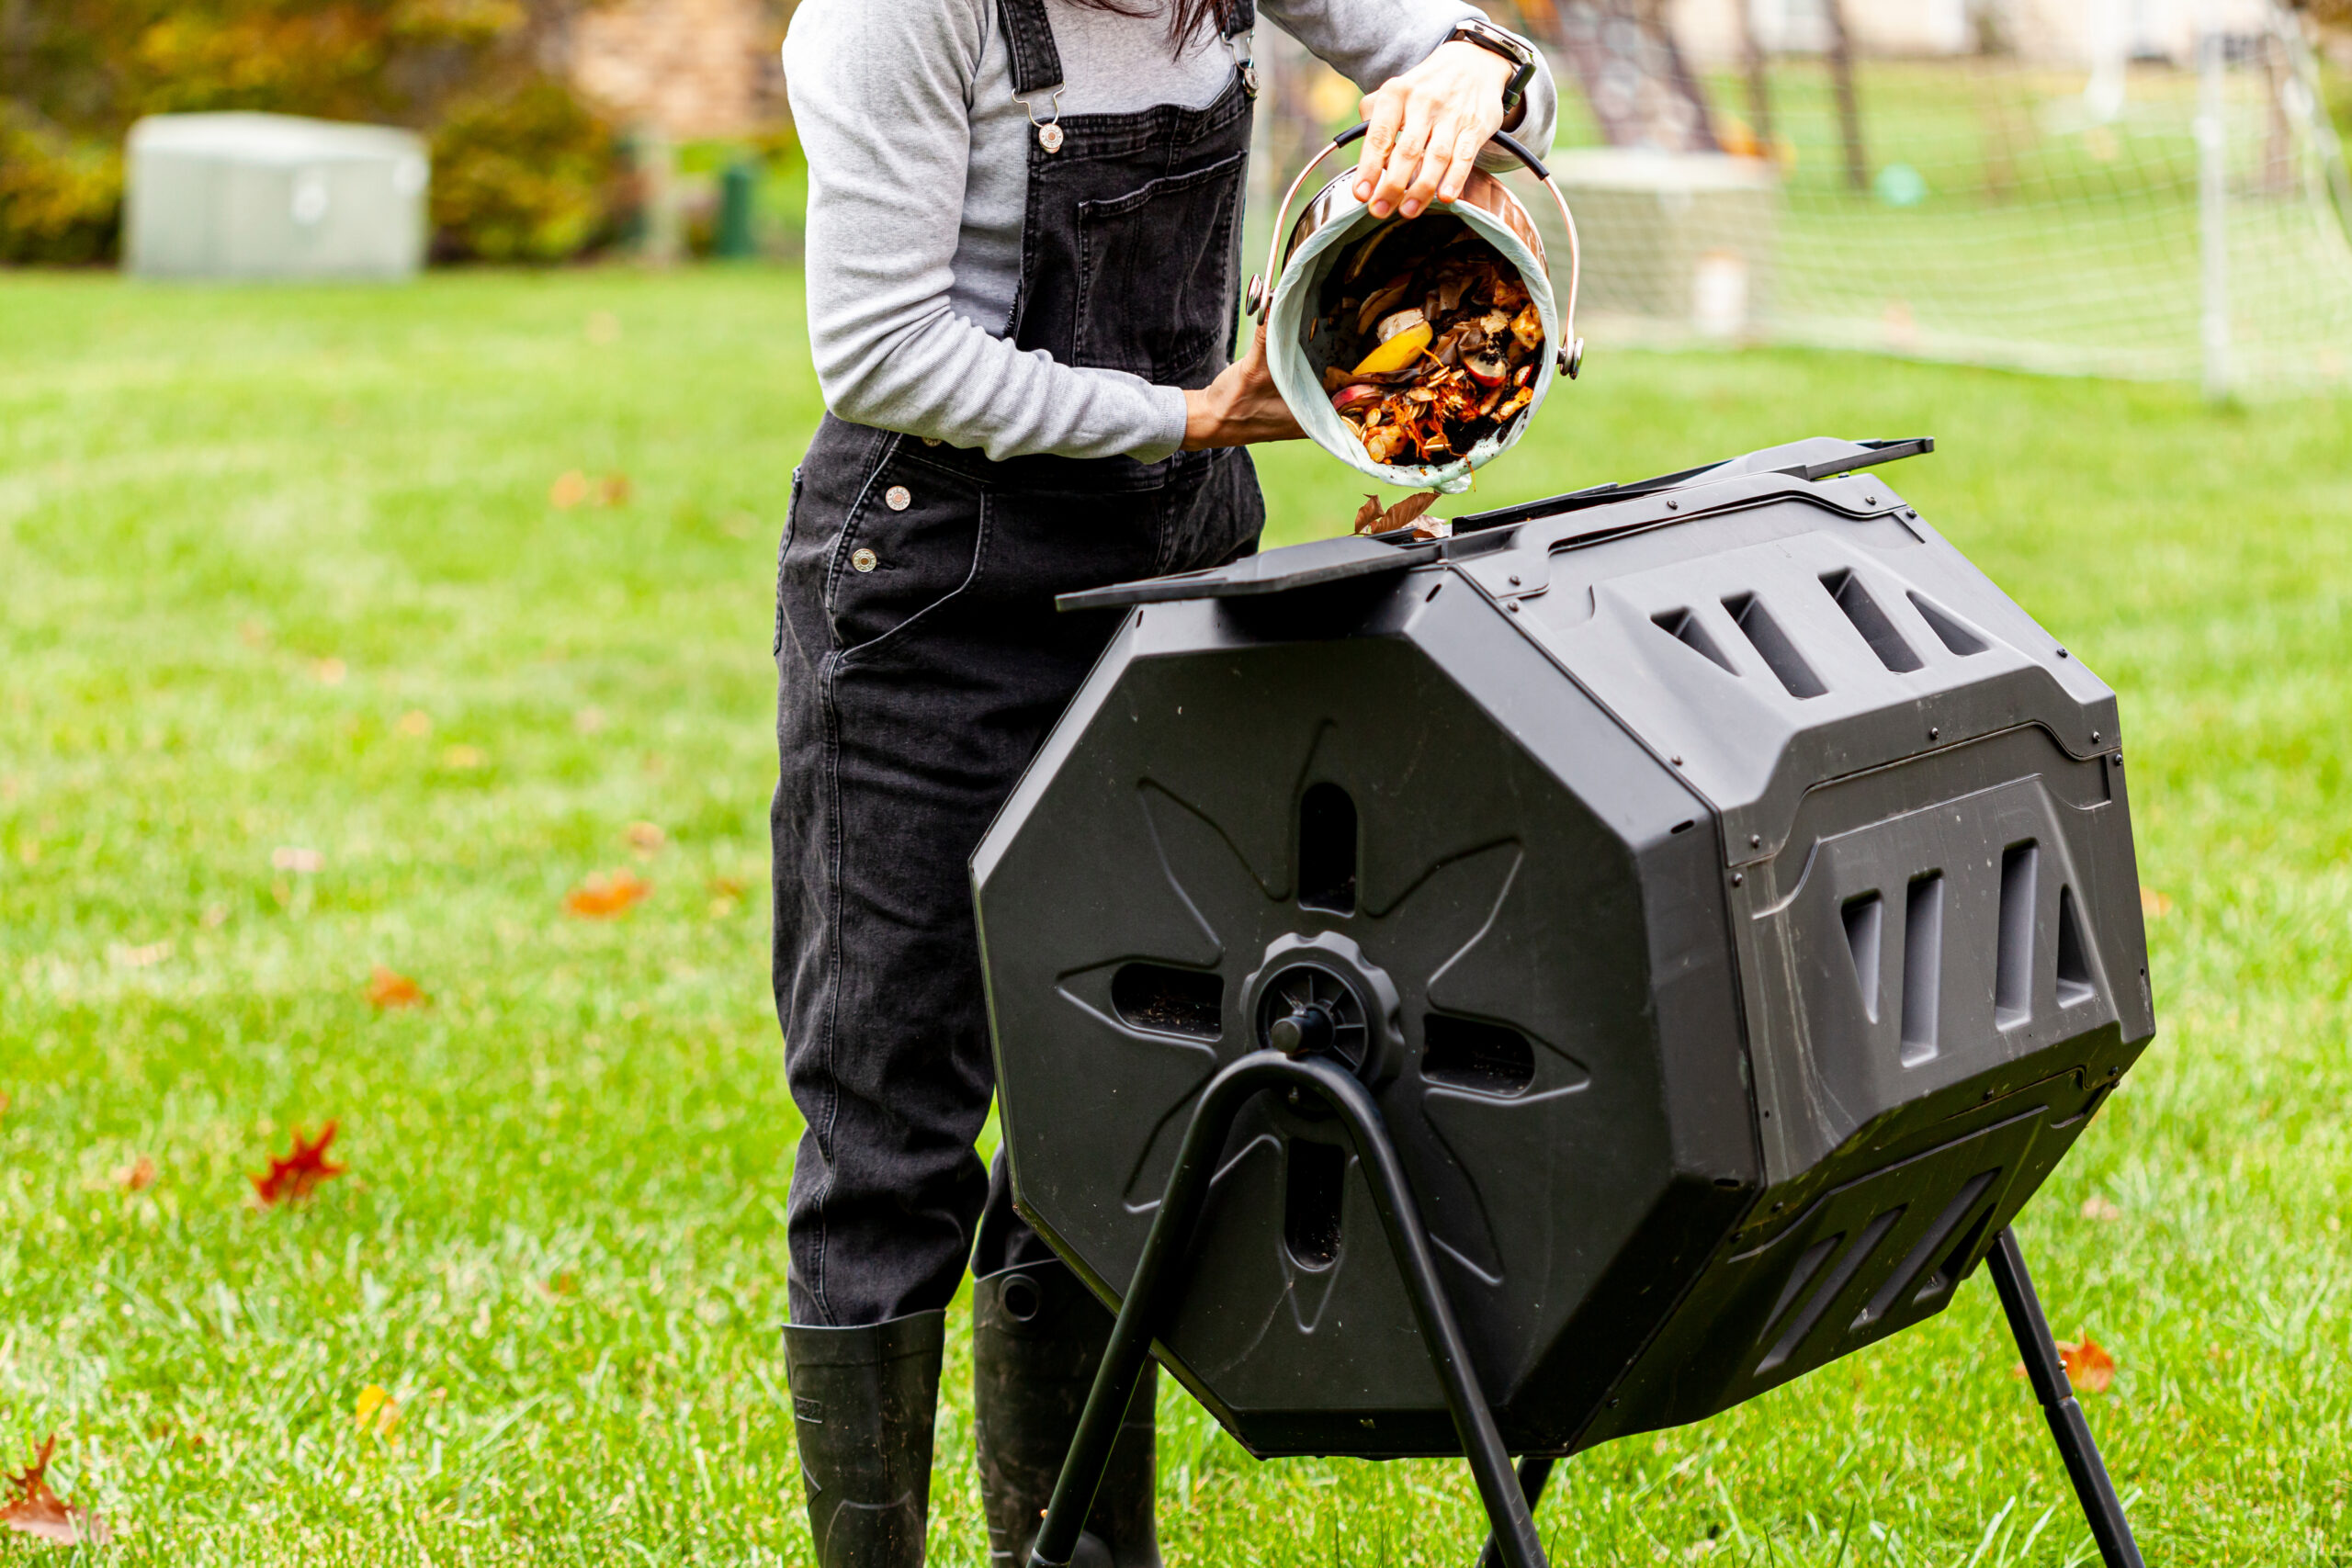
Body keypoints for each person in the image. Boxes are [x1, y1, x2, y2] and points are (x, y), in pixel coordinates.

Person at [773, 3, 1556, 1563]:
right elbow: (875, 349)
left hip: (1176, 573)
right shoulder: (894, 19)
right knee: (891, 1133)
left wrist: (1482, 75)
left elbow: (1455, 51)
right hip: (940, 595)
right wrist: (1188, 413)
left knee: (1112, 1115)